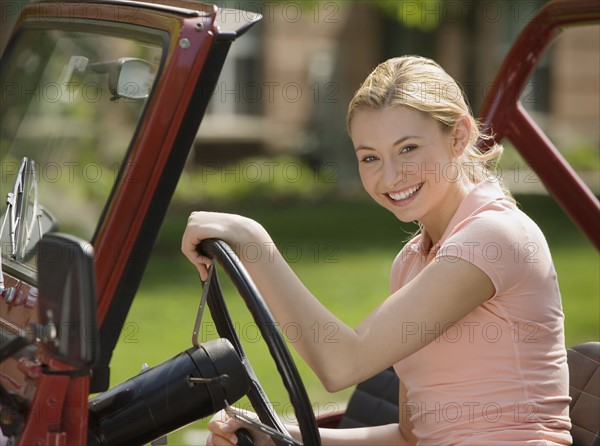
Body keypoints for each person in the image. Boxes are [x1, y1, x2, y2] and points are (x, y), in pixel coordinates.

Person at [181, 56, 572, 445]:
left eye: (408, 149)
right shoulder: (412, 262)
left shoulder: (495, 236)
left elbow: (343, 364)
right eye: (370, 157)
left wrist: (251, 240)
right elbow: (410, 437)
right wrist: (278, 437)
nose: (389, 176)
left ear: (458, 137)